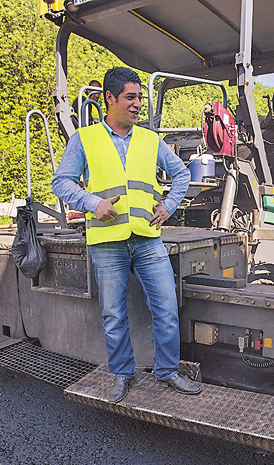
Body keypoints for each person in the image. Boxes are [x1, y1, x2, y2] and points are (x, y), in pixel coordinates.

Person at [52, 66, 200, 403]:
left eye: (140, 98)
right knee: (114, 314)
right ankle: (122, 374)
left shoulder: (150, 139)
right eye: (130, 97)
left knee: (166, 307)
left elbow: (181, 173)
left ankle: (168, 372)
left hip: (147, 239)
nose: (137, 104)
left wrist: (169, 206)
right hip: (107, 242)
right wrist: (92, 203)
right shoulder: (85, 139)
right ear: (110, 99)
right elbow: (61, 182)